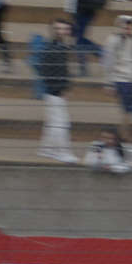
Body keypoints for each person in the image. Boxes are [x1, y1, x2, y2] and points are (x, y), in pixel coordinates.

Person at [33, 16, 76, 161]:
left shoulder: (59, 46)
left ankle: (46, 149)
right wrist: (61, 88)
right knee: (61, 123)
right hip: (55, 91)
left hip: (54, 90)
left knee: (53, 122)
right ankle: (62, 152)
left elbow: (61, 71)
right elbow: (49, 71)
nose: (61, 31)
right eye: (58, 28)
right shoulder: (52, 48)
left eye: (64, 28)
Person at [103, 13, 132, 140]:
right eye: (125, 27)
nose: (127, 29)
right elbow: (108, 63)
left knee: (129, 111)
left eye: (130, 27)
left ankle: (123, 138)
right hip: (121, 80)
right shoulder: (113, 41)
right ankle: (124, 138)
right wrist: (109, 83)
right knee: (127, 111)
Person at [62, 0, 107, 74]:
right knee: (79, 38)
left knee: (79, 40)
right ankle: (100, 55)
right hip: (83, 12)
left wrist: (71, 12)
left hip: (83, 12)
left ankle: (97, 57)